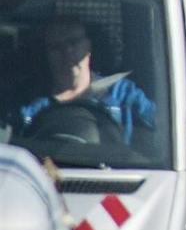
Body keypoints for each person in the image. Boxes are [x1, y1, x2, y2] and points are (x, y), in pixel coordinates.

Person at [14, 18, 158, 150]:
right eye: (56, 47)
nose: (67, 51)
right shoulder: (28, 106)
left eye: (73, 42)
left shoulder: (124, 94)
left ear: (89, 47)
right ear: (46, 55)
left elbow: (164, 128)